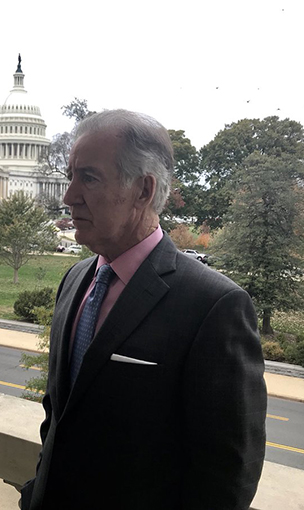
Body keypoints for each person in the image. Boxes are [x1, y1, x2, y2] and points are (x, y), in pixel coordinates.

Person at [21, 109, 267, 509]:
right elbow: (58, 416)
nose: (68, 196)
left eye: (89, 177)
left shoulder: (213, 306)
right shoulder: (74, 282)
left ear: (143, 190)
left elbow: (226, 476)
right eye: (71, 176)